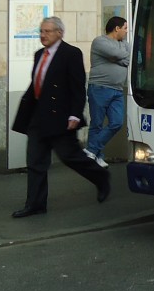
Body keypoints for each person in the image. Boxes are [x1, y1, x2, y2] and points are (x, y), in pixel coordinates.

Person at [11, 16, 110, 217]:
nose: (43, 35)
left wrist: (75, 114)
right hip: (37, 116)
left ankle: (101, 177)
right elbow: (38, 83)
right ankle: (35, 204)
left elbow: (77, 86)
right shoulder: (40, 54)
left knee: (70, 156)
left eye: (47, 31)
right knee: (35, 161)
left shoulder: (71, 54)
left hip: (60, 116)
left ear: (59, 33)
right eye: (41, 31)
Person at [85, 15, 130, 168]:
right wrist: (119, 57)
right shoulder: (100, 41)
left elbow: (128, 59)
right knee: (97, 123)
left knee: (117, 122)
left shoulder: (123, 43)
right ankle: (97, 156)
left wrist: (119, 57)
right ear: (117, 28)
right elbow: (118, 55)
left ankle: (91, 149)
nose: (126, 32)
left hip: (117, 90)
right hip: (99, 88)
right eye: (125, 28)